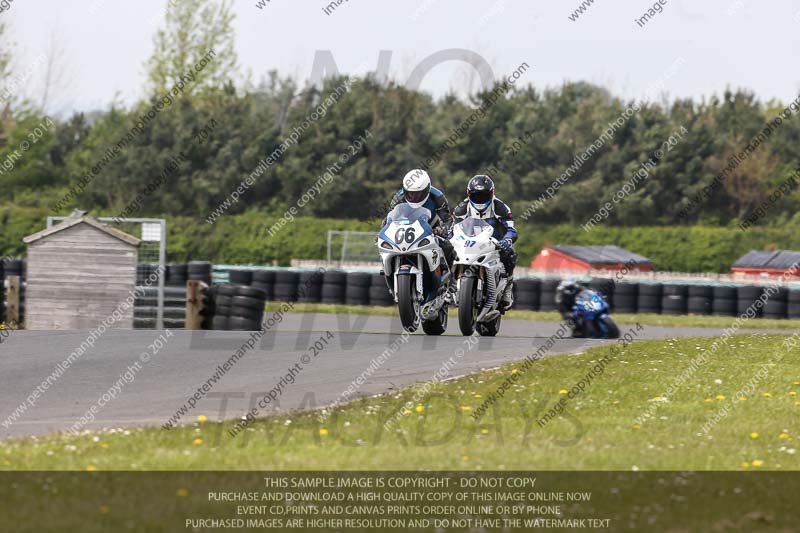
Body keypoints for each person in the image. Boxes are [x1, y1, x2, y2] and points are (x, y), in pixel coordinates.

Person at [453, 174, 517, 310]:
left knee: (510, 254)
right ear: (469, 194)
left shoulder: (500, 207)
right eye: (476, 196)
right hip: (468, 243)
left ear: (492, 193)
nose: (480, 199)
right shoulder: (462, 208)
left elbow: (511, 229)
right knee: (447, 252)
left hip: (494, 243)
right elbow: (453, 228)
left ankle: (507, 289)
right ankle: (448, 287)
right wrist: (449, 237)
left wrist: (507, 240)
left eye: (483, 196)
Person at [384, 169, 455, 269]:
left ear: (427, 189)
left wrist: (442, 229)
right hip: (404, 229)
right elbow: (389, 218)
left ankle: (450, 273)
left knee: (448, 245)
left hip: (432, 228)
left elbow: (447, 219)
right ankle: (387, 269)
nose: (414, 197)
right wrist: (383, 230)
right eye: (410, 193)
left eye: (418, 193)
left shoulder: (437, 197)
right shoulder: (398, 198)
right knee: (385, 244)